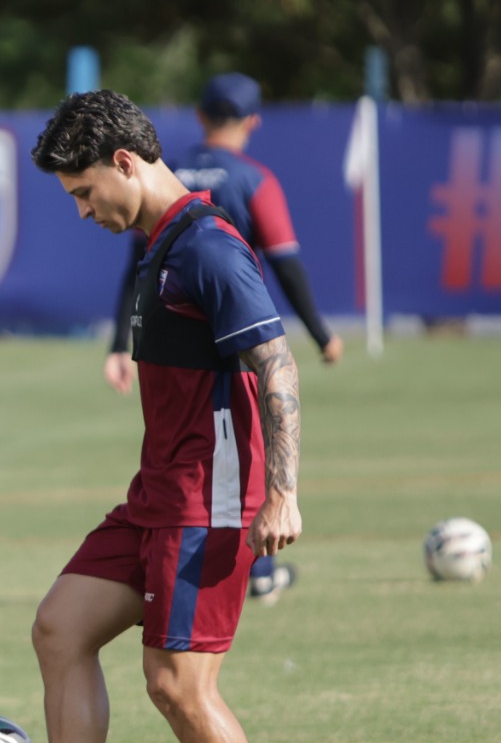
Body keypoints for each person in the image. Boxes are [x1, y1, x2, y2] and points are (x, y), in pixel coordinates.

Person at [0, 90, 301, 743]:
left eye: (86, 192)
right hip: (156, 496)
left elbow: (277, 365)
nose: (84, 210)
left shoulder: (209, 250)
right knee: (60, 627)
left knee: (178, 686)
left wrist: (282, 494)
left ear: (125, 162)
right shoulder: (160, 246)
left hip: (210, 503)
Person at [102, 72, 340, 606]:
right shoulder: (254, 178)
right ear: (253, 121)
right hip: (235, 330)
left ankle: (248, 565)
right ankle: (258, 568)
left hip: (167, 326)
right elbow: (285, 262)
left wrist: (119, 343)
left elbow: (136, 268)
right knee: (240, 425)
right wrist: (322, 335)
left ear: (201, 115)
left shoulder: (162, 175)